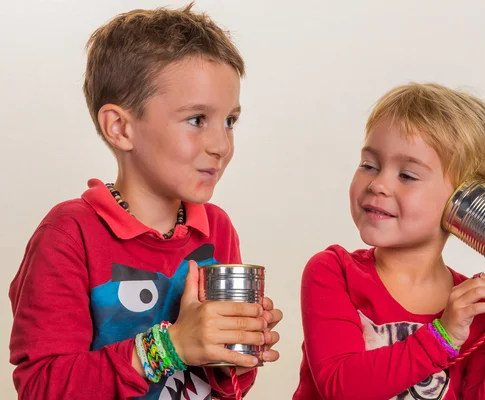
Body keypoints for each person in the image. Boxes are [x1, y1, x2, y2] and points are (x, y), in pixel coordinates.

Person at [8, 3, 282, 399]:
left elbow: (229, 387)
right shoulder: (69, 234)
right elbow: (41, 388)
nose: (222, 145)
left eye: (230, 121)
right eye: (196, 119)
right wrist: (170, 348)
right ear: (120, 127)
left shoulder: (216, 228)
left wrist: (233, 351)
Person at [293, 83, 485, 400]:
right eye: (369, 165)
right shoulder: (333, 272)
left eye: (407, 175)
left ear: (468, 201)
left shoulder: (478, 310)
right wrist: (443, 336)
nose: (378, 184)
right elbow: (341, 387)